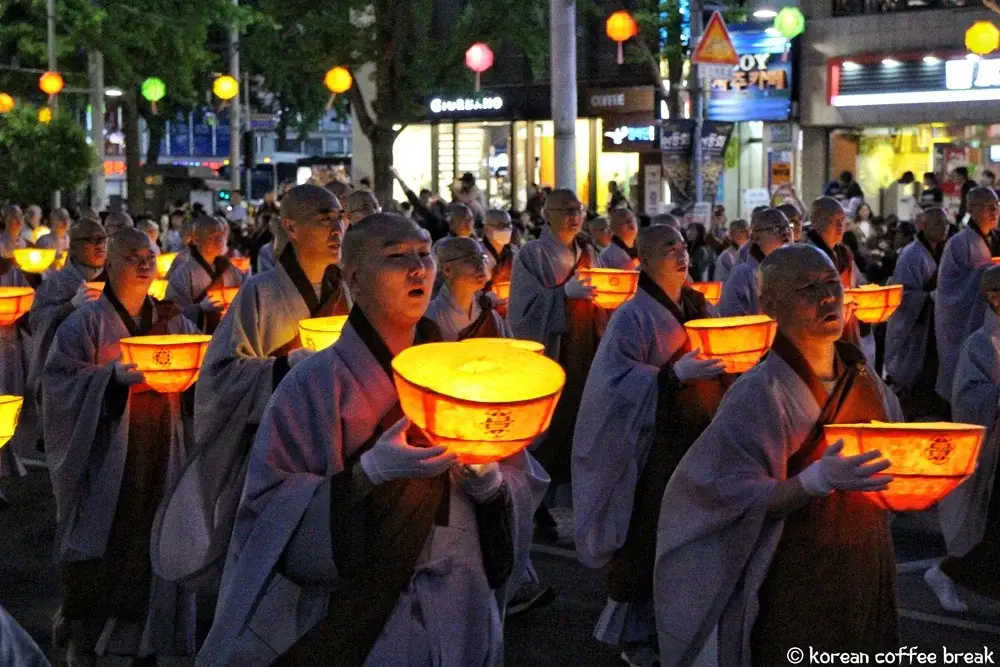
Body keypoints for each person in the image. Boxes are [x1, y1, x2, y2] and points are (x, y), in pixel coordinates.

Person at [197, 213, 546, 665]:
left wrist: (492, 486)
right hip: (367, 608)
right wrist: (366, 475)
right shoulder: (312, 383)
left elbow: (517, 476)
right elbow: (268, 510)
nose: (419, 268)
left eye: (424, 253)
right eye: (397, 257)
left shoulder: (467, 374)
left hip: (464, 589)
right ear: (353, 279)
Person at [654, 244, 901, 667]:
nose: (827, 297)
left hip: (869, 554)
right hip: (799, 569)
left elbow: (898, 455)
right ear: (770, 306)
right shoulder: (758, 392)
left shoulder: (864, 375)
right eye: (807, 288)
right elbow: (719, 493)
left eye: (831, 284)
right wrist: (814, 481)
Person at [152, 185, 350, 585]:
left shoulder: (346, 290)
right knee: (267, 574)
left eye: (340, 218)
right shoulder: (259, 292)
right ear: (290, 228)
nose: (337, 229)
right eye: (323, 219)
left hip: (335, 445)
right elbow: (221, 375)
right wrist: (287, 366)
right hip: (275, 447)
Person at [42, 229, 199, 665]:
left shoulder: (171, 320)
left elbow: (199, 367)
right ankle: (83, 636)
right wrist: (107, 381)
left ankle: (151, 636)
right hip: (107, 451)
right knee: (100, 537)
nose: (145, 263)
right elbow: (57, 385)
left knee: (157, 535)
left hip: (161, 443)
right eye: (133, 257)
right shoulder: (85, 323)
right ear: (109, 264)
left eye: (149, 255)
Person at [573, 225, 726, 667]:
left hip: (698, 436)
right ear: (642, 260)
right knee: (651, 537)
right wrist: (673, 376)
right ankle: (640, 634)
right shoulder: (632, 315)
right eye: (668, 249)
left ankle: (688, 629)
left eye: (683, 248)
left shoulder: (698, 306)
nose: (681, 256)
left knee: (694, 540)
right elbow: (611, 383)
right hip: (654, 447)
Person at [509, 189, 608, 491]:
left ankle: (575, 493)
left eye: (577, 209)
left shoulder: (589, 253)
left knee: (585, 419)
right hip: (557, 349)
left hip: (587, 347)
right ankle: (541, 500)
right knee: (552, 426)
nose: (574, 216)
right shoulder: (532, 254)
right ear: (547, 215)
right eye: (565, 210)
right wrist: (563, 295)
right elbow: (522, 313)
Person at [927, 265, 1000, 613]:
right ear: (993, 297)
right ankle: (946, 572)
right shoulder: (980, 343)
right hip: (995, 449)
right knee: (990, 529)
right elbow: (969, 399)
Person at [27, 220, 108, 416]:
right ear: (73, 246)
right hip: (67, 369)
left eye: (102, 240)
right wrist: (68, 307)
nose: (98, 245)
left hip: (105, 365)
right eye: (90, 240)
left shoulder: (115, 277)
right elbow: (37, 319)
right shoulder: (57, 282)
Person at [935, 187, 999, 405]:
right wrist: (988, 273)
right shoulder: (959, 243)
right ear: (971, 209)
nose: (994, 212)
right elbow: (949, 291)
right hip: (965, 321)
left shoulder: (994, 239)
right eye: (988, 207)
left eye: (997, 206)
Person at [884, 208, 949, 420]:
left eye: (946, 224)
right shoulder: (912, 254)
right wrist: (929, 296)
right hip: (915, 328)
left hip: (934, 327)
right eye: (938, 223)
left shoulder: (944, 251)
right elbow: (902, 294)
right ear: (924, 225)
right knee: (913, 384)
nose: (944, 228)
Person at [806, 197, 867, 352]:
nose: (841, 226)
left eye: (842, 220)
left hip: (846, 326)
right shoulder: (804, 254)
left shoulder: (845, 254)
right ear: (816, 221)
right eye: (834, 220)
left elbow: (858, 285)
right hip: (819, 328)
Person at [165, 214, 245, 333]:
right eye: (212, 237)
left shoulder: (230, 269)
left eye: (221, 236)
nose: (219, 242)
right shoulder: (182, 274)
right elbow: (173, 313)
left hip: (230, 333)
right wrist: (200, 308)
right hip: (200, 336)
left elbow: (244, 298)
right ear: (197, 240)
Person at [425, 236, 508, 341]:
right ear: (447, 270)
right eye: (471, 259)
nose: (480, 265)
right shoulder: (429, 317)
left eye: (482, 258)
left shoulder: (489, 314)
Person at [718, 208, 791, 317]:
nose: (785, 233)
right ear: (756, 237)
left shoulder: (796, 271)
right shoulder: (741, 276)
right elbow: (734, 325)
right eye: (776, 228)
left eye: (787, 227)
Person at [481, 209, 518, 317]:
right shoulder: (477, 253)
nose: (506, 229)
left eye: (509, 225)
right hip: (486, 309)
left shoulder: (514, 252)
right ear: (486, 229)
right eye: (500, 225)